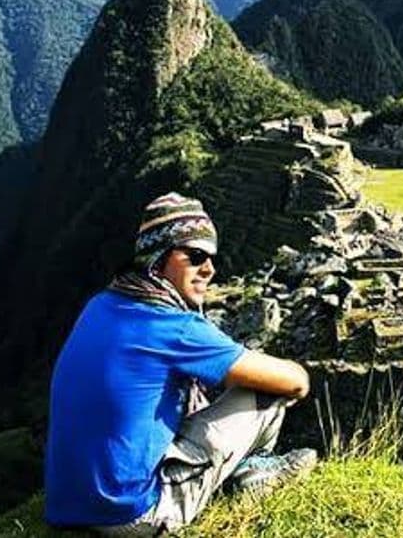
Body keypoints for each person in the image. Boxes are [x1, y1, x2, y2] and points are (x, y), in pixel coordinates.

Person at [44, 192, 317, 534]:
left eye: (211, 257)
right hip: (134, 516)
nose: (209, 268)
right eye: (195, 255)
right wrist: (291, 368)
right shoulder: (174, 328)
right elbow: (296, 383)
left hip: (70, 508)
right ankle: (253, 472)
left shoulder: (99, 304)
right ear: (157, 260)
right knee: (268, 394)